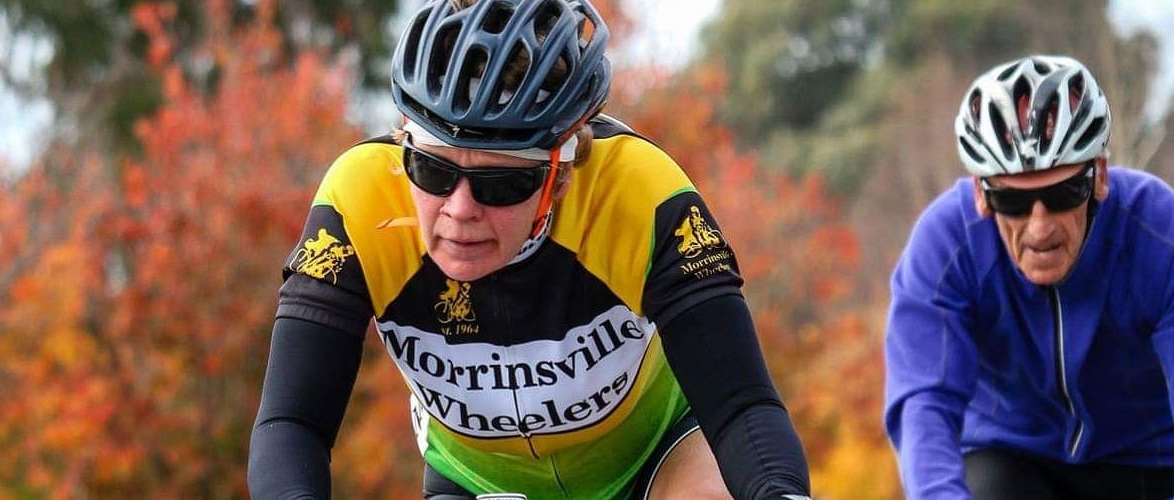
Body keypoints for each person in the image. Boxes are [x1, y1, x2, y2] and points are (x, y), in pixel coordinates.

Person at [248, 0, 813, 498]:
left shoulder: (637, 194)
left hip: (656, 454)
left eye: (502, 184)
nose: (460, 209)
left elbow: (741, 405)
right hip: (478, 479)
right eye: (432, 170)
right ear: (403, 143)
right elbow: (293, 424)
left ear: (560, 175)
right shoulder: (358, 204)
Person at [883, 54, 1174, 499]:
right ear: (981, 193)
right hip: (1013, 461)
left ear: (1098, 177)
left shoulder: (1157, 230)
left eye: (1063, 194)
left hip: (1147, 461)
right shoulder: (946, 246)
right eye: (1013, 201)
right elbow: (925, 403)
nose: (1040, 228)